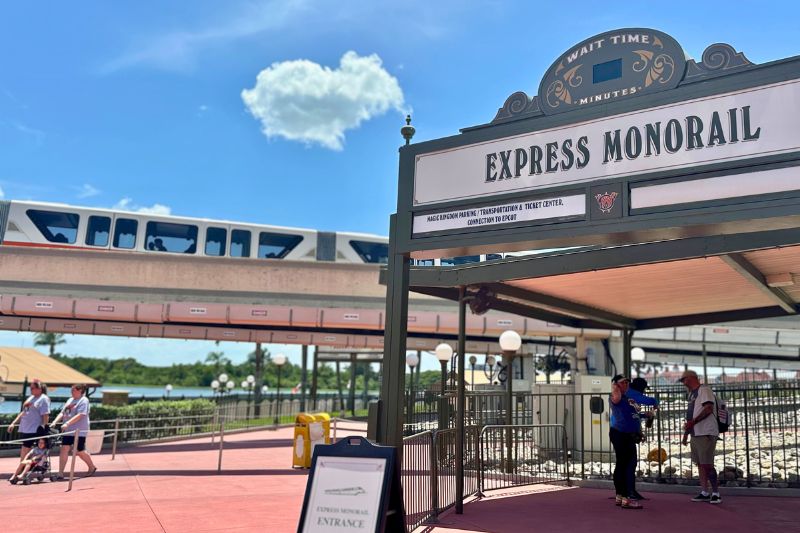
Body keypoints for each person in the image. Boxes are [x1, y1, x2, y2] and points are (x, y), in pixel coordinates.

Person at [609, 374, 657, 509]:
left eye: (626, 383)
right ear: (616, 385)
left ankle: (621, 495)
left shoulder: (628, 397)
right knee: (625, 465)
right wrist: (615, 388)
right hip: (621, 433)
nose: (625, 385)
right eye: (622, 383)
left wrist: (644, 416)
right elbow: (616, 399)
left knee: (623, 464)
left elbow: (632, 414)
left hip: (628, 434)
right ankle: (627, 497)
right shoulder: (617, 396)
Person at [679, 370, 721, 504]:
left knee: (707, 463)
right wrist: (687, 433)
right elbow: (691, 415)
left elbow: (708, 409)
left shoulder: (704, 390)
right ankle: (704, 491)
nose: (683, 383)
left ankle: (715, 493)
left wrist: (693, 422)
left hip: (705, 432)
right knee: (700, 464)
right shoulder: (692, 394)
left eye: (683, 380)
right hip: (696, 433)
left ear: (691, 378)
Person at [52, 384, 97, 479]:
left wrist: (67, 423)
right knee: (64, 449)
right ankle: (60, 473)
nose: (72, 392)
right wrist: (55, 421)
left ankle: (91, 466)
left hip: (79, 430)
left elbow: (81, 414)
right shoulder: (70, 400)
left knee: (79, 451)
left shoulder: (84, 400)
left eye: (74, 390)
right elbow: (63, 413)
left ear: (80, 391)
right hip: (68, 431)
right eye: (71, 390)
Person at [627, 377, 658, 500]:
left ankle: (624, 492)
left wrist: (644, 415)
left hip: (625, 431)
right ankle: (629, 492)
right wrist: (655, 402)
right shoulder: (633, 394)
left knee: (626, 463)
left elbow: (632, 414)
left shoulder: (628, 394)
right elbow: (650, 400)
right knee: (630, 463)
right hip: (626, 433)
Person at [6, 380, 50, 460]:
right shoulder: (31, 398)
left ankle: (25, 466)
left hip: (35, 428)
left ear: (39, 389)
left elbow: (45, 414)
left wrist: (44, 427)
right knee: (26, 448)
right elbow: (24, 412)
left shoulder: (43, 399)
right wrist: (13, 423)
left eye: (32, 388)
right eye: (30, 388)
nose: (31, 389)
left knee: (29, 448)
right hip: (26, 428)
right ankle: (24, 466)